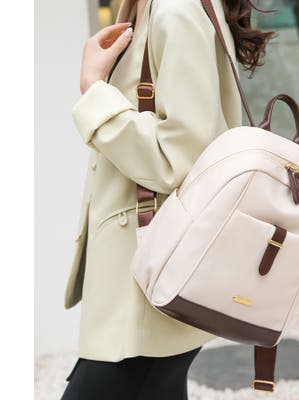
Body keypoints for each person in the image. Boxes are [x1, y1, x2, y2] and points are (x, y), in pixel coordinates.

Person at [61, 0, 273, 398]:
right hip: (148, 275)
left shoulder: (175, 11)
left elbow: (181, 157)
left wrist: (94, 90)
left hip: (149, 281)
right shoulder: (151, 8)